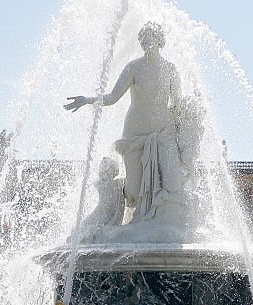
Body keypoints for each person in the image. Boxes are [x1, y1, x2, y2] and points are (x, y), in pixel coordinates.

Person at [65, 22, 193, 236]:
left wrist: (192, 115)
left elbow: (178, 105)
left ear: (160, 40)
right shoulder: (133, 67)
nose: (145, 41)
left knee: (171, 184)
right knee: (133, 191)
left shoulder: (171, 70)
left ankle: (159, 225)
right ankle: (110, 201)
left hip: (163, 135)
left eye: (150, 36)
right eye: (142, 37)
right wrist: (87, 100)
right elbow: (112, 98)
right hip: (134, 134)